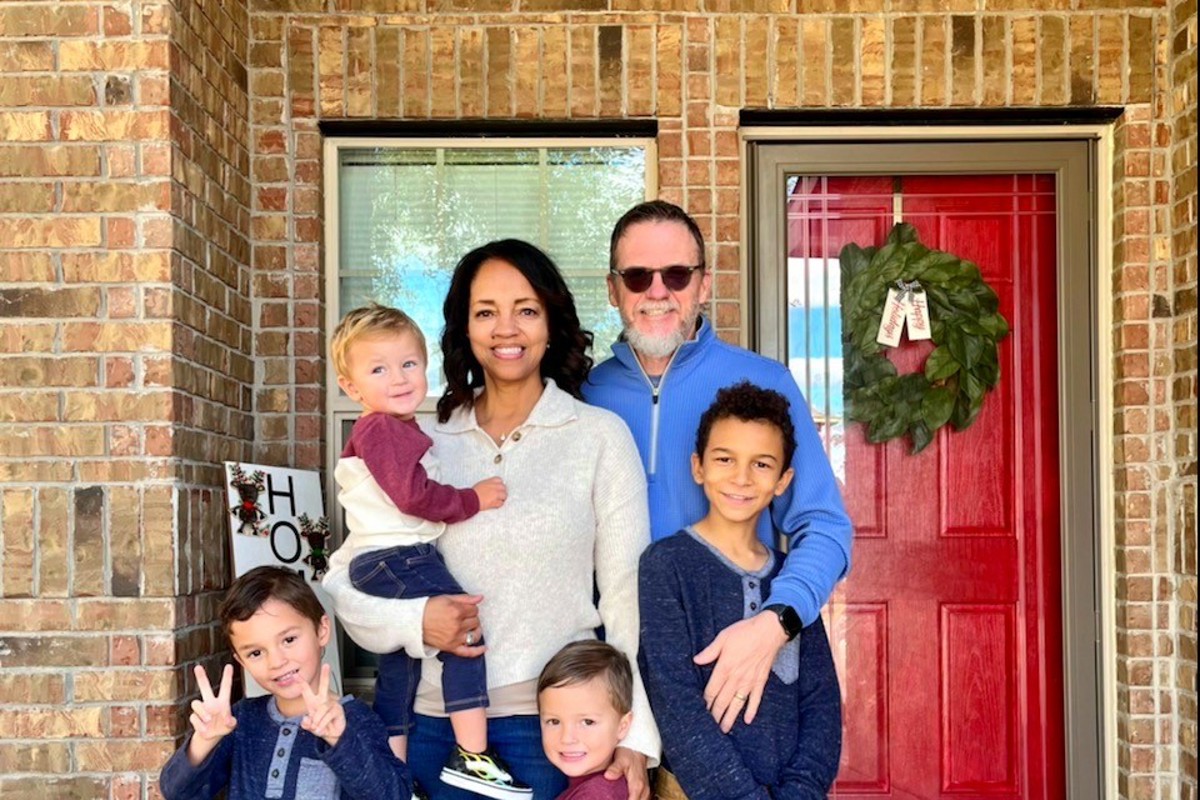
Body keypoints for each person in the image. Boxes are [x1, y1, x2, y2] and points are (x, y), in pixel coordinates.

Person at [322, 239, 660, 800]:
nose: (507, 329)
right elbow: (349, 576)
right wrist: (415, 624)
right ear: (464, 330)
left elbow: (627, 596)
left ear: (551, 323)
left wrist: (635, 734)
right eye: (486, 313)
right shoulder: (420, 440)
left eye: (525, 310)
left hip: (558, 731)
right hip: (433, 729)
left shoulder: (599, 437)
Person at [583, 200, 852, 730]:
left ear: (704, 284)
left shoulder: (764, 384)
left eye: (677, 275)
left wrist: (775, 624)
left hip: (729, 664)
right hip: (609, 680)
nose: (657, 292)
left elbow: (824, 526)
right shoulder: (585, 395)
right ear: (613, 289)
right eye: (637, 277)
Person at [329, 303, 528, 799]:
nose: (398, 378)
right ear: (351, 389)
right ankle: (473, 756)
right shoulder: (380, 429)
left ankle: (396, 775)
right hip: (398, 557)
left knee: (400, 666)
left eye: (408, 364)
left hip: (381, 560)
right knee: (464, 630)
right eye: (378, 369)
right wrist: (473, 499)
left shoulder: (396, 430)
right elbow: (413, 497)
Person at [638, 383, 842, 800]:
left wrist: (801, 792)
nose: (741, 478)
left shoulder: (789, 579)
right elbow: (675, 702)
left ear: (784, 480)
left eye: (762, 464)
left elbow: (821, 706)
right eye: (725, 459)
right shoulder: (666, 564)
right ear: (698, 467)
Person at [160, 566, 411, 800]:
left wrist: (341, 740)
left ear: (322, 630)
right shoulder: (240, 720)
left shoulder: (355, 719)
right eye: (256, 653)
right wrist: (203, 742)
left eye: (289, 639)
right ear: (241, 661)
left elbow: (393, 794)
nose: (277, 661)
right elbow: (176, 792)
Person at [536, 641, 635, 800]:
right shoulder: (597, 789)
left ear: (622, 726)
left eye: (587, 722)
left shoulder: (595, 795)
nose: (567, 738)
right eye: (554, 721)